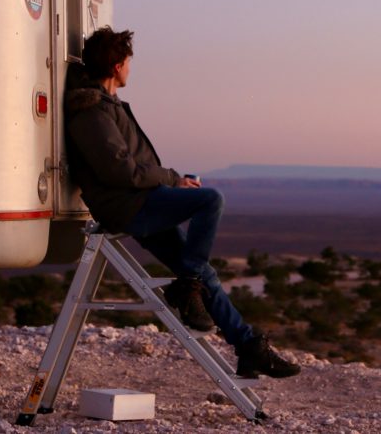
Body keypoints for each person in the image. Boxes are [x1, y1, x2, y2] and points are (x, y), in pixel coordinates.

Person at [64, 26, 299, 379]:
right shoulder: (92, 112)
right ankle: (188, 287)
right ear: (117, 66)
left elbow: (129, 169)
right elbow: (121, 171)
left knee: (204, 272)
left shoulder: (106, 106)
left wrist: (174, 181)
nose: (130, 68)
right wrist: (174, 179)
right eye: (128, 61)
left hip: (140, 200)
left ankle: (248, 346)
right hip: (127, 206)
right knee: (210, 201)